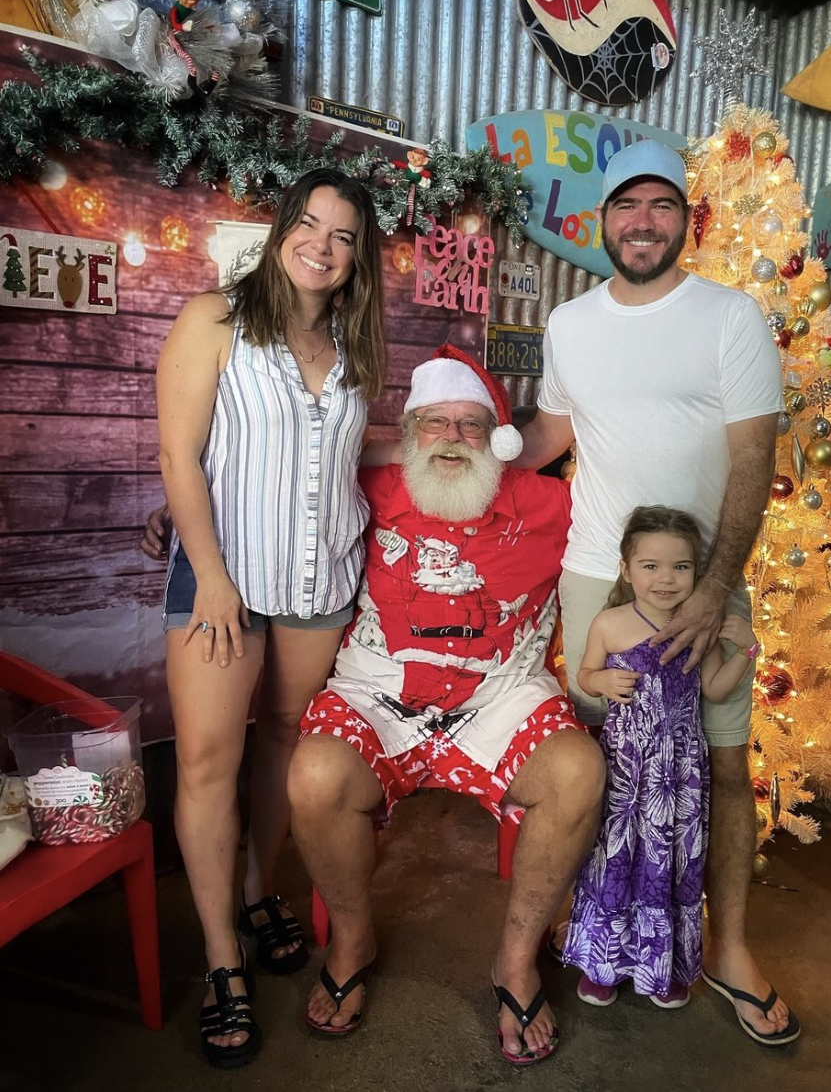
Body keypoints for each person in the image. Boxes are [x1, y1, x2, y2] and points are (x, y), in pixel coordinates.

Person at [515, 138, 799, 1045]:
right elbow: (546, 434)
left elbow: (756, 455)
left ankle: (728, 948)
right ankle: (598, 923)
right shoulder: (570, 326)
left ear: (687, 218)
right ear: (602, 220)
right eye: (627, 206)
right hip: (597, 571)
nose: (642, 222)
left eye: (661, 206)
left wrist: (718, 586)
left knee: (719, 762)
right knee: (595, 764)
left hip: (702, 579)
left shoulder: (731, 317)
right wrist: (436, 445)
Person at [287, 344, 605, 1065]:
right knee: (312, 776)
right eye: (434, 423)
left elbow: (638, 504)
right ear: (406, 433)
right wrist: (175, 521)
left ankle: (516, 961)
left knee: (578, 774)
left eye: (471, 424)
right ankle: (353, 938)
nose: (453, 438)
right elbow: (281, 473)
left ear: (500, 437)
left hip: (501, 698)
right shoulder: (363, 484)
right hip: (380, 694)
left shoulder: (556, 504)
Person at [154, 167, 386, 1068]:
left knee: (285, 738)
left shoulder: (356, 347)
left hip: (320, 579)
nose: (321, 244)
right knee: (210, 761)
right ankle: (222, 962)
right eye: (310, 223)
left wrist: (449, 435)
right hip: (227, 583)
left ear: (356, 255)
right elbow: (179, 453)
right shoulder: (213, 319)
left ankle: (258, 894)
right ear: (283, 226)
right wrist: (208, 572)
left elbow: (352, 447)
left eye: (342, 234)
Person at [564, 505, 761, 1015]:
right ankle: (601, 965)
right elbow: (584, 674)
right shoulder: (610, 623)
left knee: (670, 865)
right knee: (615, 860)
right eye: (650, 566)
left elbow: (715, 690)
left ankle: (665, 965)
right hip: (627, 770)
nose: (665, 579)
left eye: (681, 567)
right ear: (627, 570)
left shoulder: (698, 626)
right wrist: (602, 682)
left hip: (680, 776)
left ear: (698, 573)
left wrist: (746, 651)